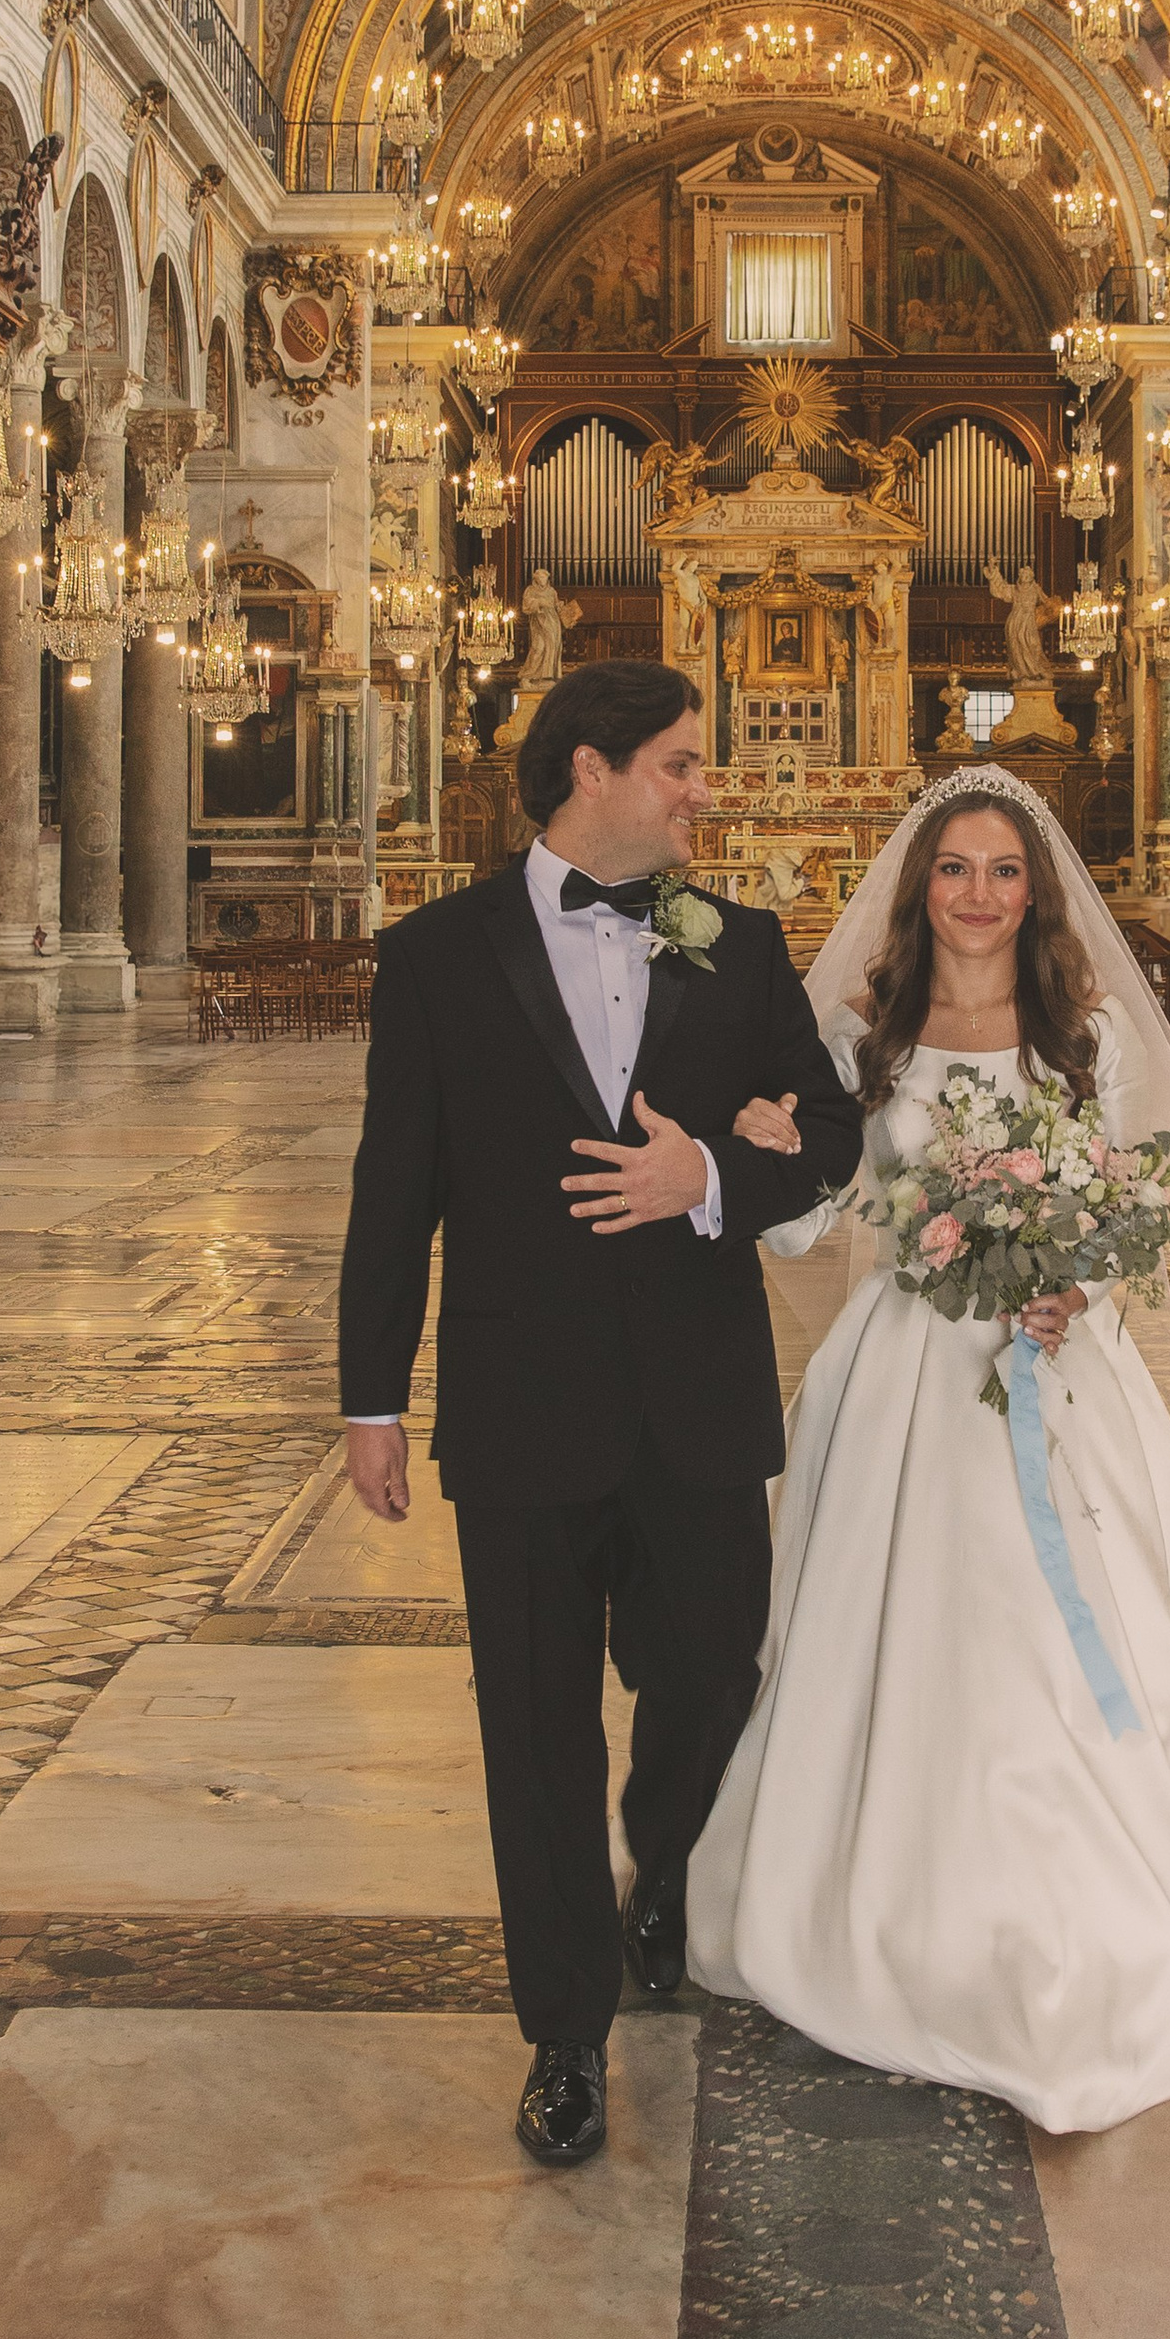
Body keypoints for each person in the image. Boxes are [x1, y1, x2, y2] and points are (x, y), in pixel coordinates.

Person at [685, 764, 1170, 2132]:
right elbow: (812, 1228)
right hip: (902, 1378)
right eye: (955, 868)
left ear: (1035, 891)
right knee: (915, 1636)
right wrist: (761, 1149)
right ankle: (886, 1910)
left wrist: (1085, 1279)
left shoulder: (1086, 1040)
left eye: (1003, 870)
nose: (979, 893)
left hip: (1056, 1373)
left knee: (1066, 1634)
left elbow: (1139, 1198)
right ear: (917, 885)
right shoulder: (857, 1037)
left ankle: (1088, 1900)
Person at [337, 661, 863, 2170]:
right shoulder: (437, 956)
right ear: (593, 767)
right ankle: (564, 2035)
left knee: (712, 1666)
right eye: (683, 765)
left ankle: (667, 1851)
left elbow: (826, 1127)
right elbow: (397, 1191)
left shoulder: (740, 945)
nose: (709, 788)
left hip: (698, 1398)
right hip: (518, 1400)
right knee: (532, 1724)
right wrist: (372, 1394)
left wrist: (709, 1178)